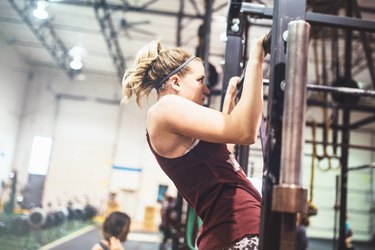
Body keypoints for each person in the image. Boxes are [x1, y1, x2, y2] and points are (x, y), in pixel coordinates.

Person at [122, 34, 266, 249]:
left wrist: (229, 104)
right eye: (200, 80)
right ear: (176, 82)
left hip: (234, 229)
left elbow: (219, 158)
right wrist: (257, 57)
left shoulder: (172, 116)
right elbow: (246, 132)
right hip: (236, 230)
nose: (206, 90)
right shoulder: (164, 108)